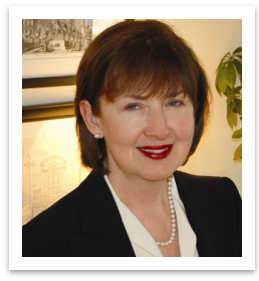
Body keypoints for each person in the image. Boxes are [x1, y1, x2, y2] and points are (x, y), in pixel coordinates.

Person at [22, 20, 242, 257]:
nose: (159, 130)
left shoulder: (224, 199)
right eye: (134, 106)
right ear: (93, 118)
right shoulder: (40, 244)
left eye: (174, 102)